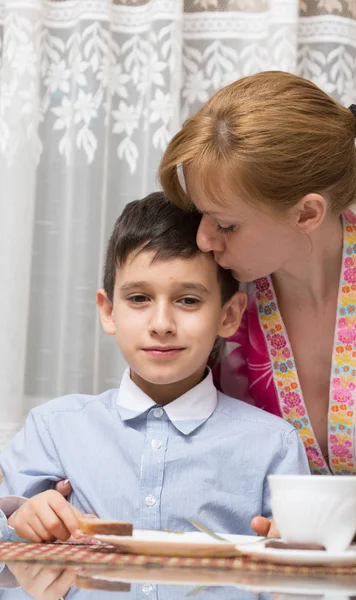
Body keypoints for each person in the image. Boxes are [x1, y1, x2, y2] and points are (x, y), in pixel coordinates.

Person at [158, 71, 356, 546]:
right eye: (200, 215)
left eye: (225, 224)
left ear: (307, 213)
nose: (204, 239)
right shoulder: (214, 296)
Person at [0, 192, 309, 544]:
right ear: (108, 310)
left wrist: (293, 546)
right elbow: (11, 532)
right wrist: (22, 515)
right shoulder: (53, 430)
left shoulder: (274, 445)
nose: (161, 324)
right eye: (138, 298)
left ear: (229, 315)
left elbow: (297, 565)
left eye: (188, 300)